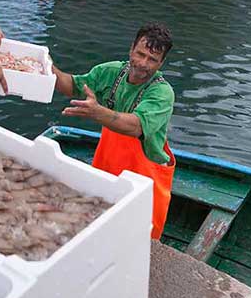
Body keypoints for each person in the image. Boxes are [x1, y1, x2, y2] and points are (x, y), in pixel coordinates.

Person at [52, 23, 175, 239]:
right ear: (131, 49)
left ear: (161, 63)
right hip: (108, 166)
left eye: (152, 59)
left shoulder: (163, 93)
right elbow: (73, 85)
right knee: (99, 226)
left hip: (145, 179)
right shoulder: (110, 72)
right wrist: (45, 68)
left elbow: (135, 126)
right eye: (140, 54)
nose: (143, 63)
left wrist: (97, 112)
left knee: (140, 239)